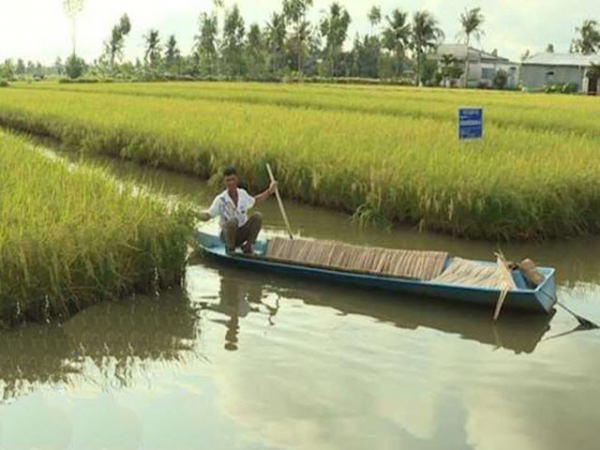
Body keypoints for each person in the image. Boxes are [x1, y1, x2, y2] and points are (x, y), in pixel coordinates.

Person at [200, 166, 277, 255]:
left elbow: (255, 200)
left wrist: (269, 191)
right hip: (226, 235)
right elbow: (208, 215)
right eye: (228, 180)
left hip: (241, 234)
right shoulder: (220, 199)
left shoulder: (242, 194)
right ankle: (231, 249)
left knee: (257, 216)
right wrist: (193, 214)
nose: (231, 183)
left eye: (233, 179)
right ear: (224, 182)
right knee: (233, 221)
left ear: (237, 180)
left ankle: (248, 246)